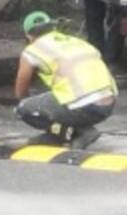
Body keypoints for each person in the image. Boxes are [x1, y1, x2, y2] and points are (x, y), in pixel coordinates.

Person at [14, 11, 118, 150]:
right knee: (59, 98)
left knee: (23, 108)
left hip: (84, 106)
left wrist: (28, 103)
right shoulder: (78, 42)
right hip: (108, 104)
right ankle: (68, 133)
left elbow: (20, 90)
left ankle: (77, 132)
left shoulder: (32, 51)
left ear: (28, 36)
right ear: (53, 28)